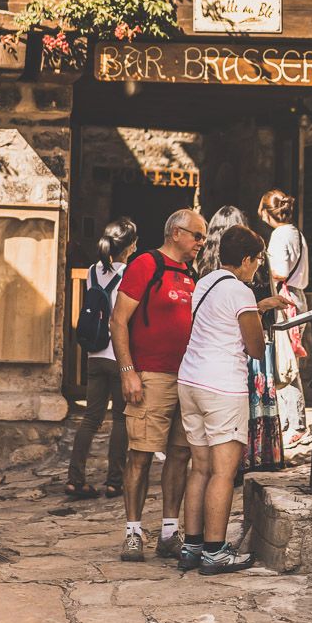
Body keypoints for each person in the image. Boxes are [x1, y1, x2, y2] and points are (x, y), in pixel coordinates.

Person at [177, 224, 282, 575]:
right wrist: (259, 316)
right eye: (258, 261)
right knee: (224, 472)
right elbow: (253, 347)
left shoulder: (204, 282)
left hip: (190, 380)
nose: (258, 267)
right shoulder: (240, 291)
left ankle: (191, 546)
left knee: (200, 468)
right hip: (222, 386)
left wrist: (257, 307)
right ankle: (215, 551)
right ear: (247, 259)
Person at [110, 208, 207, 563]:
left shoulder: (189, 273)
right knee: (140, 454)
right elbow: (118, 320)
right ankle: (133, 532)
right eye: (197, 235)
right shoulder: (145, 265)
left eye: (204, 237)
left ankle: (169, 531)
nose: (201, 243)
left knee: (180, 455)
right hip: (150, 376)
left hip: (187, 378)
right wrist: (127, 371)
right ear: (176, 233)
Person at [198, 207, 286, 472]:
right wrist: (263, 307)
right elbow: (255, 346)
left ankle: (220, 462)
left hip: (203, 365)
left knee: (203, 465)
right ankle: (253, 456)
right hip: (240, 350)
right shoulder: (246, 277)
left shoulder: (204, 269)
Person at [66, 217, 138, 501]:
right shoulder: (130, 274)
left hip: (95, 354)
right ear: (130, 246)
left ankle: (75, 478)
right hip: (119, 354)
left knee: (91, 418)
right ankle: (114, 482)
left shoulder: (93, 272)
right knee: (120, 419)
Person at [258, 189, 310, 449]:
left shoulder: (279, 236)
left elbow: (279, 271)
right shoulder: (296, 233)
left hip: (285, 297)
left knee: (285, 363)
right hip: (296, 295)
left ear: (267, 213)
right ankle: (293, 422)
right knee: (286, 361)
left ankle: (297, 424)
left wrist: (259, 265)